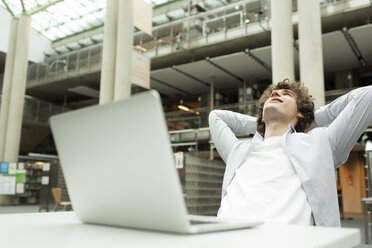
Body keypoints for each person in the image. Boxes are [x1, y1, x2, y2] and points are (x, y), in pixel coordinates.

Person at [209, 79, 372, 227]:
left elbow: (367, 96)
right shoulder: (237, 150)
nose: (275, 94)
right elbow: (215, 116)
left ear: (299, 113)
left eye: (286, 94)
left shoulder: (319, 144)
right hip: (222, 239)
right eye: (273, 95)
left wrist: (311, 120)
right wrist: (262, 122)